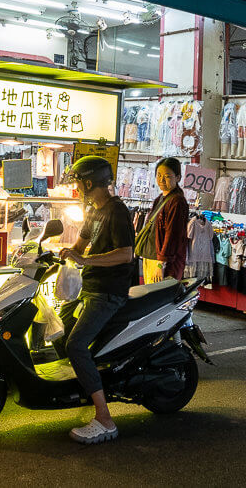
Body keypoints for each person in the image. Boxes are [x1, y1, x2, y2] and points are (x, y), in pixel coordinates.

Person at [57, 156, 137, 444]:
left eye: (79, 182)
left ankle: (104, 417)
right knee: (59, 326)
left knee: (76, 345)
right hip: (88, 287)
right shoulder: (92, 211)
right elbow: (80, 244)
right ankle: (82, 387)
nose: (77, 187)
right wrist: (65, 252)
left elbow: (125, 254)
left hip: (108, 292)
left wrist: (84, 258)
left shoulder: (118, 212)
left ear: (90, 182)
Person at [142, 157, 189, 283]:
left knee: (157, 298)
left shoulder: (177, 201)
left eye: (167, 176)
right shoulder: (160, 199)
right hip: (151, 257)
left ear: (178, 177)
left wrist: (160, 264)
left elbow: (172, 235)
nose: (161, 180)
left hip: (163, 263)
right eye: (159, 175)